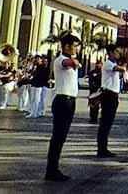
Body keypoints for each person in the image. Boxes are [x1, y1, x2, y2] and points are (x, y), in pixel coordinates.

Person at [44, 34, 81, 182]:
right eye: (74, 45)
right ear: (66, 46)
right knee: (58, 137)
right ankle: (51, 170)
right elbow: (67, 63)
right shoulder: (60, 60)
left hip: (70, 101)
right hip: (62, 101)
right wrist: (74, 62)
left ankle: (54, 168)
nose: (76, 48)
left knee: (62, 136)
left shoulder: (71, 60)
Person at [97, 45, 125, 158]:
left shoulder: (113, 64)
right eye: (116, 52)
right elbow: (120, 69)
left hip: (113, 95)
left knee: (108, 123)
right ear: (111, 53)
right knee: (105, 123)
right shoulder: (108, 63)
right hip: (108, 95)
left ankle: (104, 147)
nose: (118, 54)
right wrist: (124, 67)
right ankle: (101, 149)